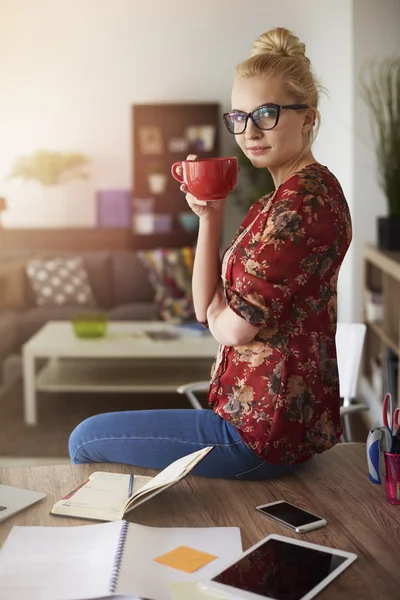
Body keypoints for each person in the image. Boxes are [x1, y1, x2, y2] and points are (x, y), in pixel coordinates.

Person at [68, 26, 352, 480]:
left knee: (84, 439)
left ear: (308, 118)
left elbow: (234, 331)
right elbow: (205, 309)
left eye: (266, 113)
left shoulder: (303, 203)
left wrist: (223, 316)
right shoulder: (275, 202)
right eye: (238, 117)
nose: (249, 131)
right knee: (93, 437)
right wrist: (210, 216)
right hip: (258, 418)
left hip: (260, 432)